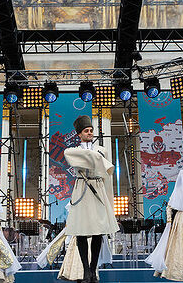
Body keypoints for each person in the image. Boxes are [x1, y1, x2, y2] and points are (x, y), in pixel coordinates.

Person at [60, 115, 119, 283]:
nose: (90, 133)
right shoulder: (75, 151)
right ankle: (85, 270)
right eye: (86, 131)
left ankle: (93, 269)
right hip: (82, 189)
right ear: (79, 134)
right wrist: (95, 158)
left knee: (98, 232)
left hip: (98, 189)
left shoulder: (101, 150)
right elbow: (69, 155)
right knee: (81, 232)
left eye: (91, 130)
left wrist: (109, 199)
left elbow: (107, 177)